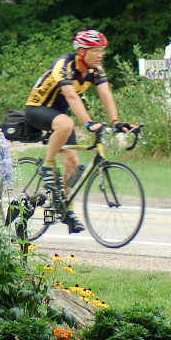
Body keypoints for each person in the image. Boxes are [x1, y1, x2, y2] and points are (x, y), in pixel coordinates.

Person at [24, 29, 136, 233]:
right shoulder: (64, 65)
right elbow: (72, 97)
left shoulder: (96, 69)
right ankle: (47, 167)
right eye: (95, 51)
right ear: (82, 51)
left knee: (73, 164)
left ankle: (64, 209)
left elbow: (105, 93)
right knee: (67, 123)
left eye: (102, 50)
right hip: (37, 109)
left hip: (60, 117)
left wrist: (117, 121)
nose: (100, 55)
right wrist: (88, 123)